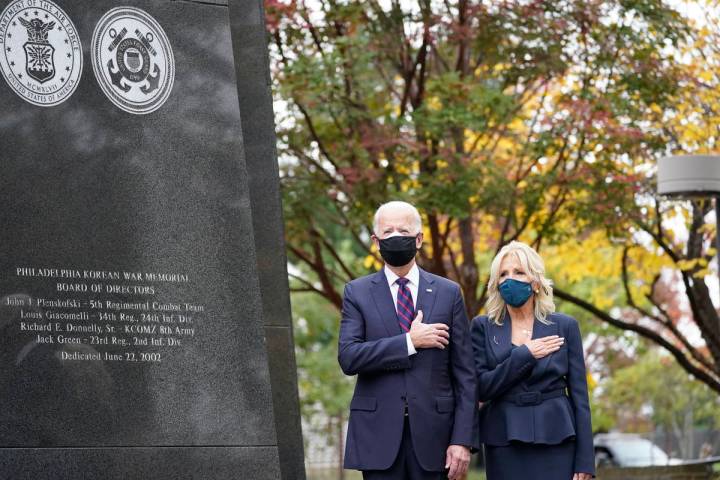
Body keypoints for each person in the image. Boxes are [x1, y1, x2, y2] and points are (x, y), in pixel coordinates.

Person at [339, 201, 477, 480]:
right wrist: (409, 342)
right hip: (377, 436)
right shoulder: (357, 292)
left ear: (419, 239)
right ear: (376, 241)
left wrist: (462, 440)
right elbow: (349, 357)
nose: (395, 236)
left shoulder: (449, 293)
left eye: (403, 229)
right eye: (387, 231)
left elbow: (466, 374)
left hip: (436, 437)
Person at [471, 241, 594, 480]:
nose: (510, 279)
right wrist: (523, 355)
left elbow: (580, 397)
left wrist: (586, 461)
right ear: (496, 283)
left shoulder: (565, 326)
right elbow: (481, 388)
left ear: (535, 282)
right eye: (503, 274)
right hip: (503, 439)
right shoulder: (483, 327)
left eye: (519, 272)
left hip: (557, 437)